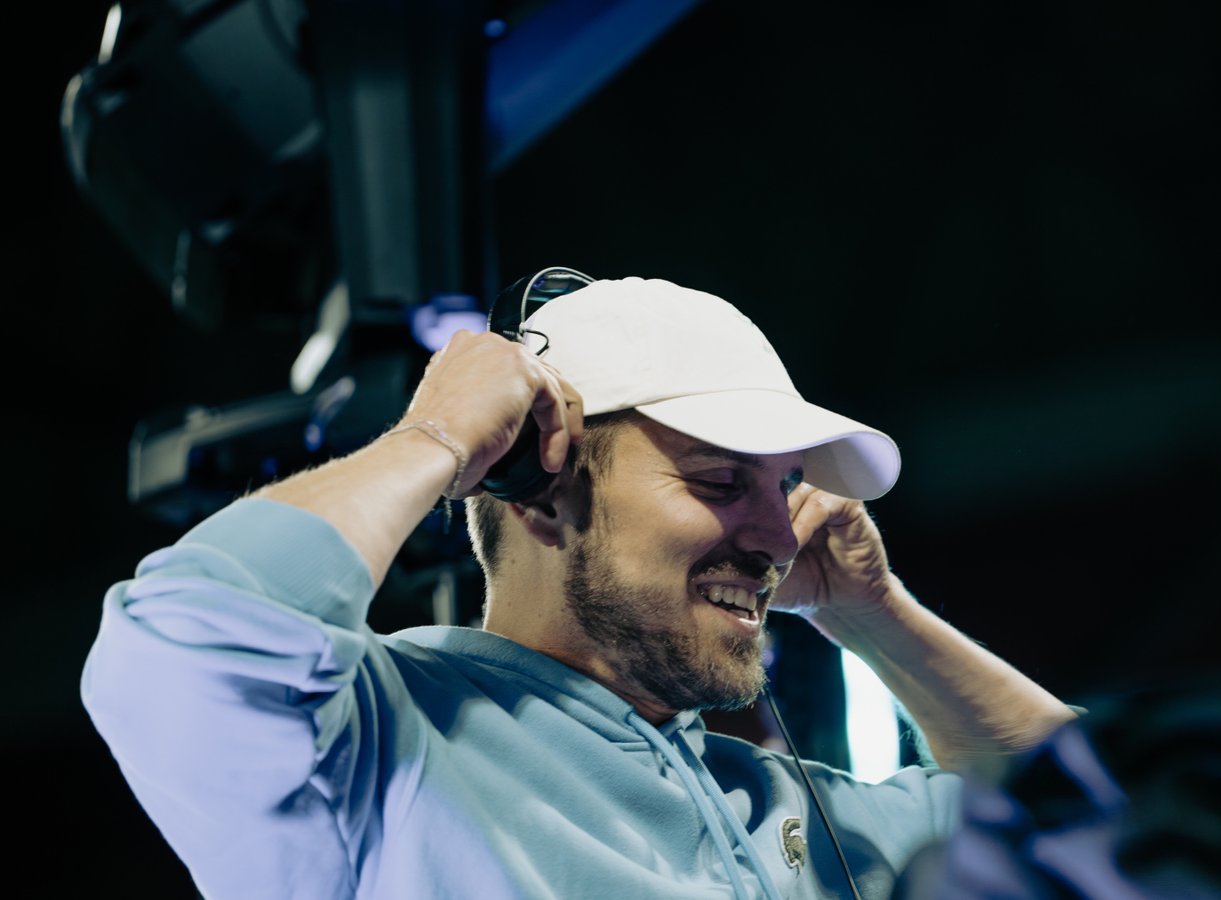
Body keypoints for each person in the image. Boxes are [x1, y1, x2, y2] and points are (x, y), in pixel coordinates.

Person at [82, 272, 1079, 899]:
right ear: (540, 492)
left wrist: (878, 615)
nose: (780, 537)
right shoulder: (377, 750)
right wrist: (434, 439)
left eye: (783, 489)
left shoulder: (794, 814)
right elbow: (184, 636)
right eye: (721, 482)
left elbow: (1111, 822)